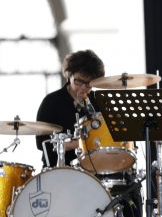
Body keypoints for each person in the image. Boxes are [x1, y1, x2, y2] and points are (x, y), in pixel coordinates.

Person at [36, 49, 143, 217]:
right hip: (64, 172)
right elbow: (42, 145)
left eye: (89, 84)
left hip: (98, 171)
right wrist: (80, 143)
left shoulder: (99, 102)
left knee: (130, 187)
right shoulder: (52, 102)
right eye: (79, 82)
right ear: (68, 75)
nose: (84, 88)